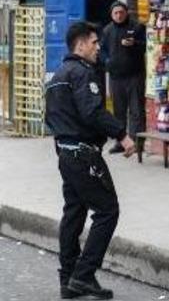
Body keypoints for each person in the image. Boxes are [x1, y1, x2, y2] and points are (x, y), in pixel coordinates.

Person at [45, 22, 136, 300]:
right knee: (108, 211)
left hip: (66, 154)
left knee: (74, 213)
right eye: (94, 43)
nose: (98, 48)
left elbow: (51, 119)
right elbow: (92, 112)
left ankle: (68, 279)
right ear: (81, 45)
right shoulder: (83, 73)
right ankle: (83, 276)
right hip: (83, 155)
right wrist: (122, 135)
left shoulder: (58, 76)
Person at [100, 1, 146, 154]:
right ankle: (121, 142)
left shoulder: (137, 27)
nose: (119, 16)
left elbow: (146, 46)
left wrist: (134, 44)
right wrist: (107, 62)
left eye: (121, 12)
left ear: (126, 13)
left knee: (136, 111)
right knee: (119, 111)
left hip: (135, 75)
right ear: (111, 15)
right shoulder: (107, 31)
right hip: (116, 76)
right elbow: (102, 50)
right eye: (116, 13)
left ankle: (137, 143)